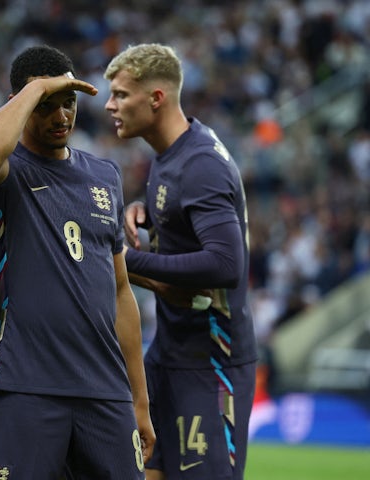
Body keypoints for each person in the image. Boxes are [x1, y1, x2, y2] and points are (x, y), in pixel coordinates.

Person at [0, 44, 155, 480]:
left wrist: (139, 402)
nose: (61, 116)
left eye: (68, 103)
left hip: (104, 390)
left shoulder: (104, 175)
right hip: (25, 385)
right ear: (21, 104)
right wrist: (38, 89)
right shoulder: (5, 173)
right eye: (47, 105)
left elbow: (121, 289)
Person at [104, 43, 258, 480]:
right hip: (170, 353)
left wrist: (128, 260)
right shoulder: (173, 154)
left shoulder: (201, 164)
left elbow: (226, 264)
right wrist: (145, 209)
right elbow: (187, 214)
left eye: (120, 95)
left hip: (210, 361)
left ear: (156, 98)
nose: (111, 106)